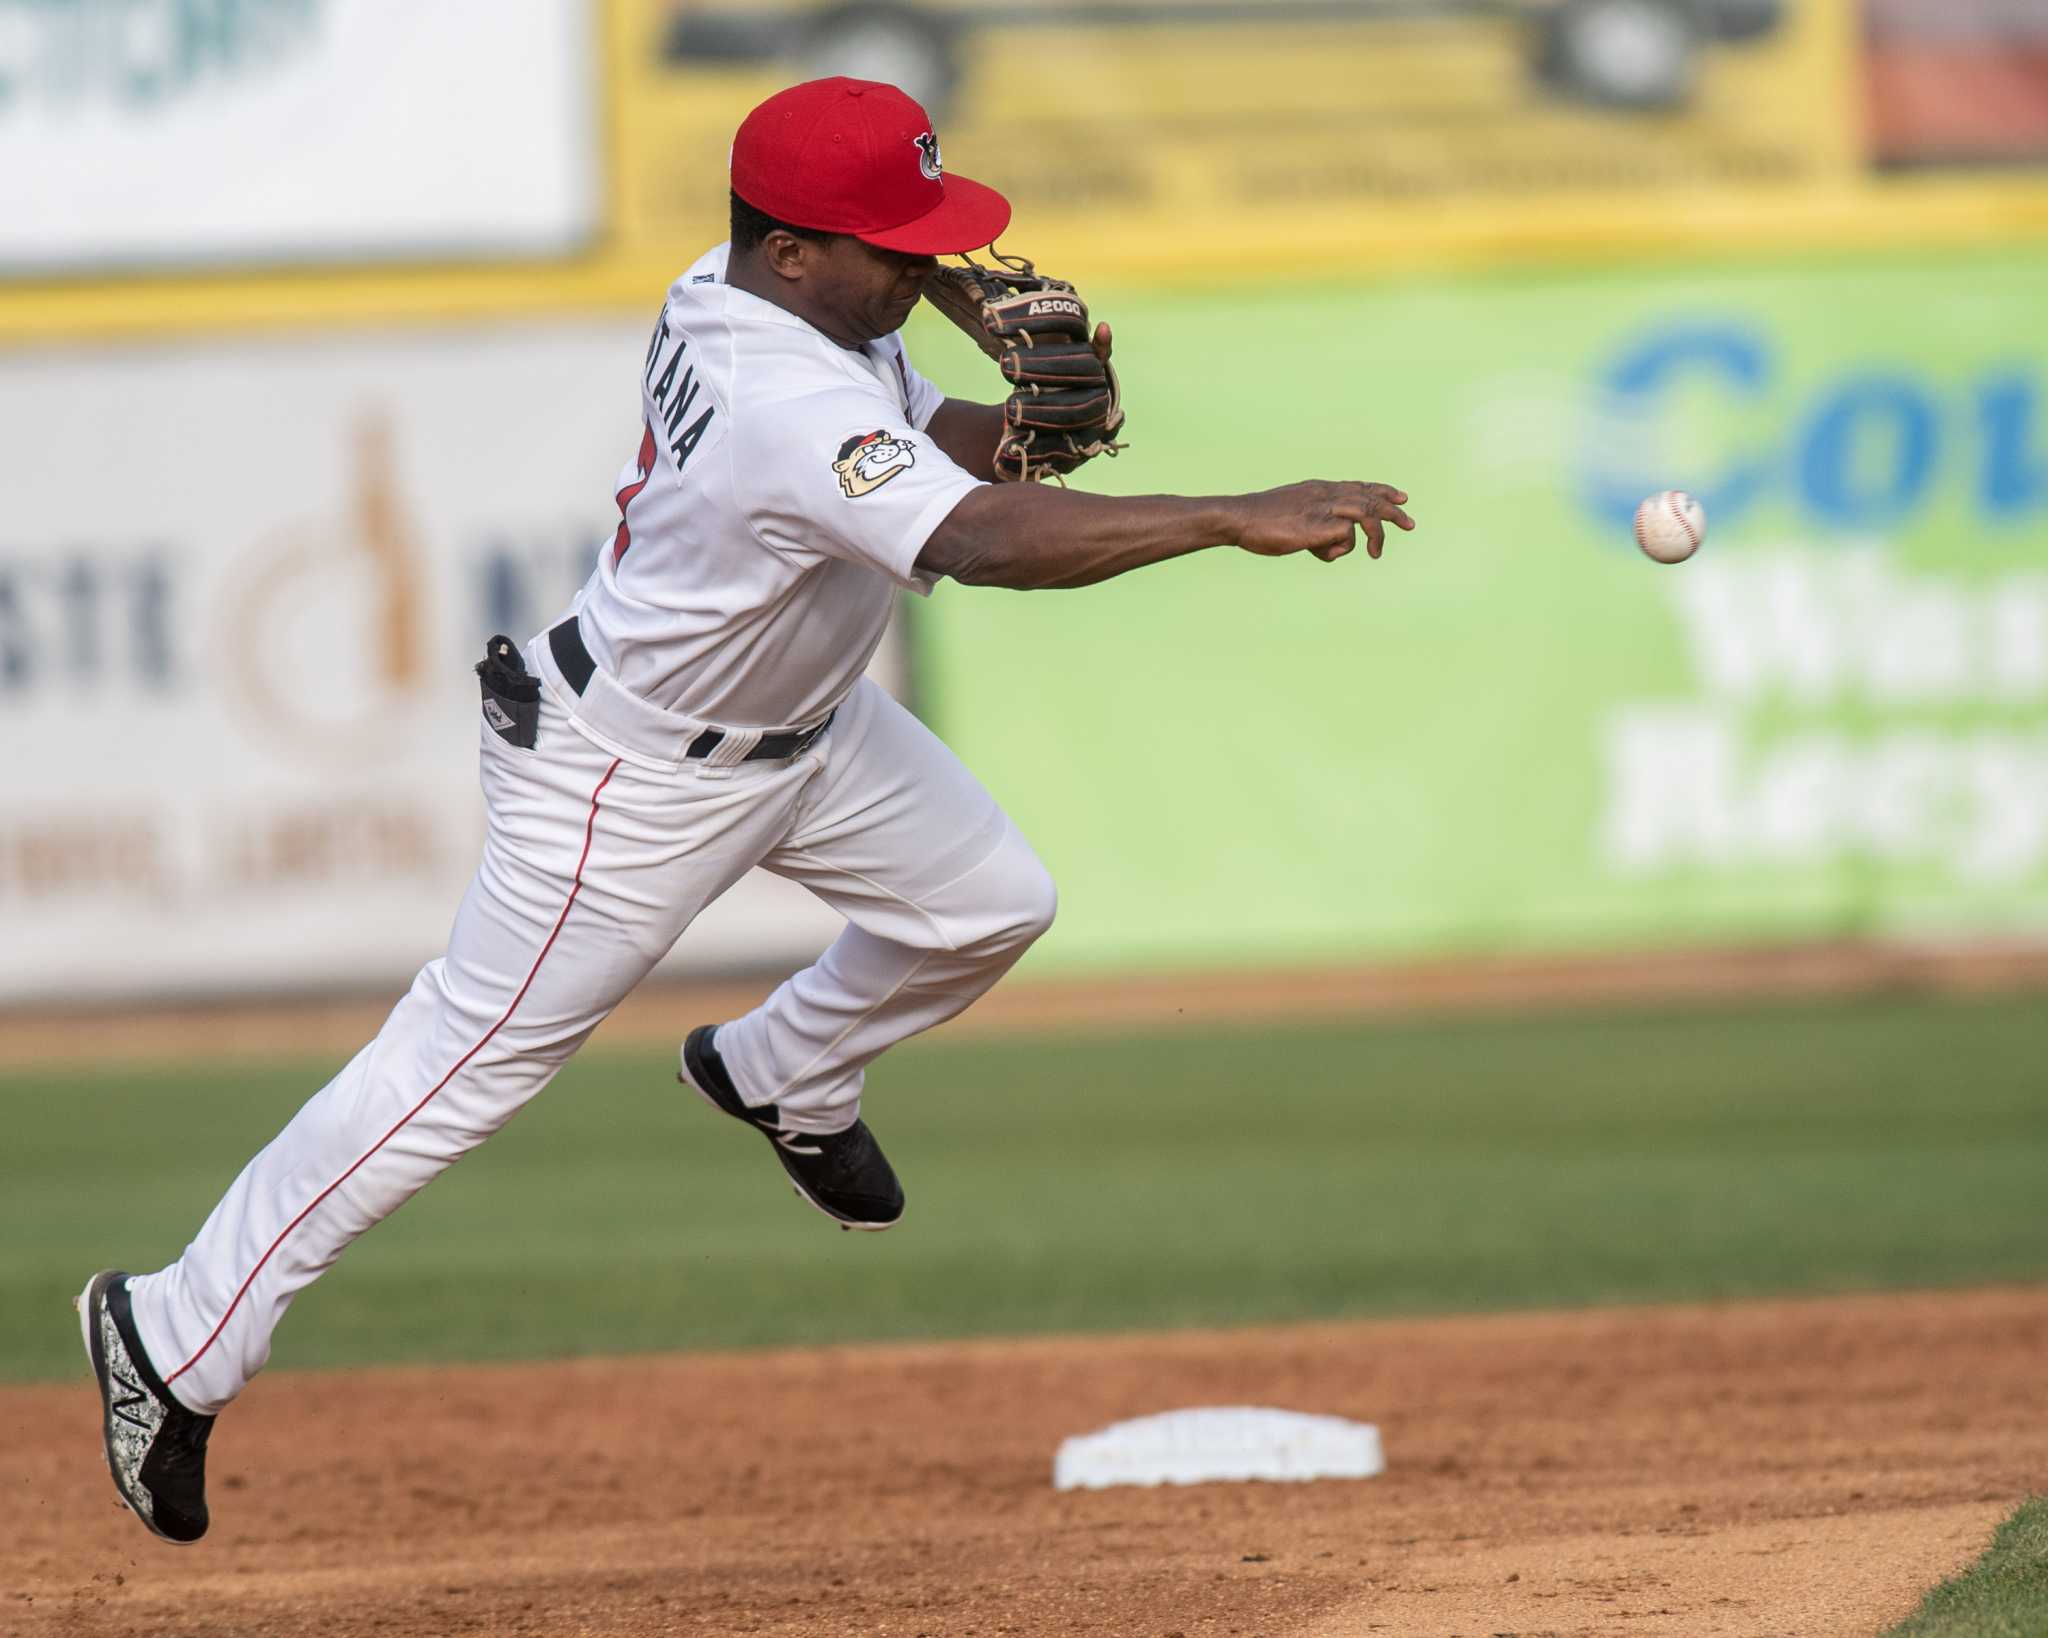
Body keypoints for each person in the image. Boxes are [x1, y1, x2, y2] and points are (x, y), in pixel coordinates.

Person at [77, 76, 1415, 1545]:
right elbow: (970, 541)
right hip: (631, 778)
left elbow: (931, 454)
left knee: (987, 903)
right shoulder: (782, 386)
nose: (922, 267)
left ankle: (783, 1066)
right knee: (453, 1071)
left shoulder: (774, 306)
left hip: (807, 733)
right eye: (890, 243)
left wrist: (1030, 434)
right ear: (791, 251)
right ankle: (173, 1328)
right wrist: (1228, 512)